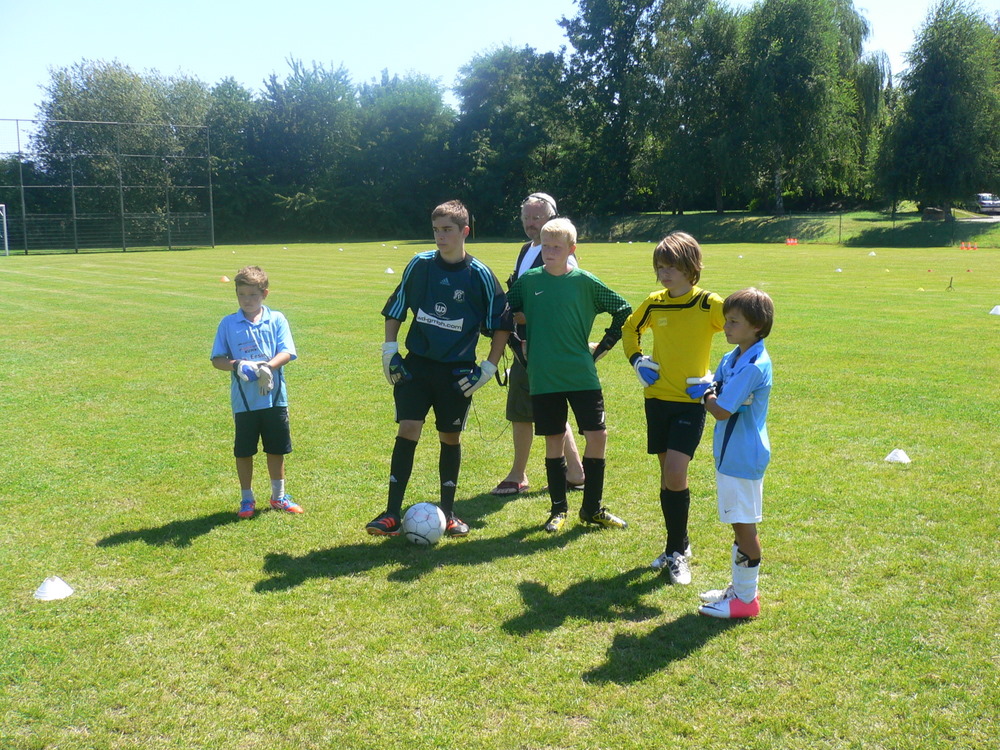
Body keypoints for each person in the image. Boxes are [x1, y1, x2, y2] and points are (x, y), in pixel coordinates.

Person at [366, 200, 512, 538]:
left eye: (447, 230)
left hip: (457, 373)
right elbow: (397, 307)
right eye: (435, 230)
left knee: (450, 436)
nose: (440, 236)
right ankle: (391, 513)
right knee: (408, 429)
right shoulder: (420, 265)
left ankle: (449, 513)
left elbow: (502, 324)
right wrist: (390, 351)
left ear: (465, 231)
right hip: (417, 367)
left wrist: (487, 368)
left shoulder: (480, 275)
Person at [506, 217, 632, 533]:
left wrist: (603, 346)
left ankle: (592, 509)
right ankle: (558, 510)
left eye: (556, 247)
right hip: (544, 376)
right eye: (545, 246)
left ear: (571, 249)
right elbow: (501, 314)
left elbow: (623, 310)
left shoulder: (585, 282)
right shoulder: (529, 281)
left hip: (581, 374)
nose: (549, 252)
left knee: (598, 436)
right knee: (553, 440)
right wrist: (519, 347)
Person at [622, 232, 724, 584]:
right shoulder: (655, 303)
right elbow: (630, 329)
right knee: (668, 477)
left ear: (691, 267)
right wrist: (637, 361)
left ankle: (676, 553)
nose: (664, 273)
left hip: (690, 403)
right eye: (660, 267)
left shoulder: (709, 304)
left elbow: (743, 331)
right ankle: (678, 543)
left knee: (676, 474)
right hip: (657, 400)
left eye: (671, 267)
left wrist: (716, 380)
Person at [490, 193, 585, 496]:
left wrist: (531, 321)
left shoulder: (559, 254)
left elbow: (565, 299)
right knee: (547, 408)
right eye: (527, 217)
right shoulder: (528, 249)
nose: (530, 223)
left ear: (552, 219)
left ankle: (518, 475)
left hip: (541, 345)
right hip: (526, 344)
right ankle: (575, 471)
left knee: (525, 410)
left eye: (537, 217)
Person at [693, 288, 774, 618]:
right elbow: (719, 386)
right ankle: (739, 589)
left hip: (742, 456)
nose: (726, 327)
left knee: (744, 527)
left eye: (734, 322)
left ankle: (746, 601)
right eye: (726, 320)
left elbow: (721, 409)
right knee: (738, 524)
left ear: (757, 326)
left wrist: (706, 394)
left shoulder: (754, 365)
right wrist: (713, 389)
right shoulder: (733, 357)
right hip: (730, 455)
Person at [211, 265, 302, 518]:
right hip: (244, 402)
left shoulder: (277, 319)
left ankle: (278, 497)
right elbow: (217, 360)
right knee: (244, 451)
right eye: (241, 294)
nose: (247, 300)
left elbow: (287, 352)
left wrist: (267, 367)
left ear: (264, 294)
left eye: (252, 295)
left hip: (274, 399)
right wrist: (237, 365)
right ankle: (247, 499)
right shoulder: (228, 323)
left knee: (276, 448)